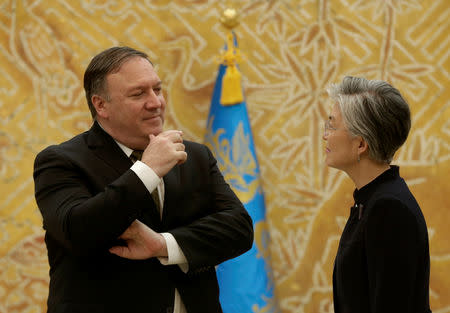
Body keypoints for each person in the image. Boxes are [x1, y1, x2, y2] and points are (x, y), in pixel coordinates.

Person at [33, 46, 254, 313]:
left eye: (157, 90)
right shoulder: (60, 161)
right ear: (100, 105)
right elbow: (78, 232)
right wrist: (147, 171)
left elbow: (239, 229)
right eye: (138, 93)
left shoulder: (193, 156)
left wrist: (163, 245)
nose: (155, 102)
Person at [323, 76, 432, 313]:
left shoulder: (389, 208)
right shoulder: (371, 199)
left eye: (332, 125)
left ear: (361, 144)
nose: (325, 135)